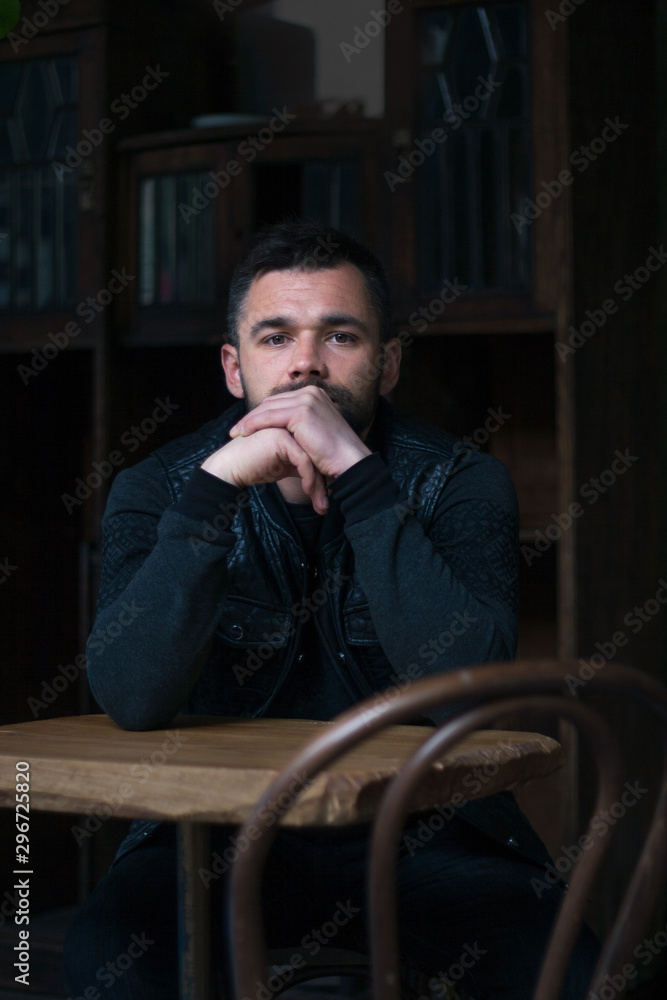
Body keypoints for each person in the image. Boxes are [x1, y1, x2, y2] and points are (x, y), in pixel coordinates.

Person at [63, 221, 598, 999]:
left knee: (570, 969)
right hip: (211, 841)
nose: (305, 363)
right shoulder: (156, 486)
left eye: (339, 335)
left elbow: (472, 687)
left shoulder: (461, 481)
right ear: (232, 366)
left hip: (424, 835)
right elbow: (131, 694)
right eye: (274, 337)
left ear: (387, 365)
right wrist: (212, 493)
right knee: (107, 958)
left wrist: (355, 471)